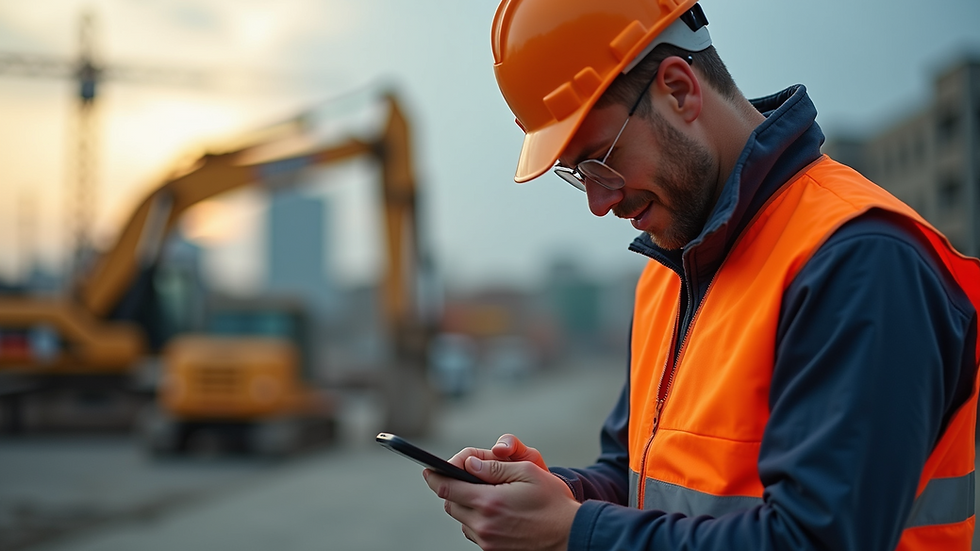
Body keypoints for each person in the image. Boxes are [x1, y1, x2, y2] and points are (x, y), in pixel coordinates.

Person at [423, 1, 980, 550]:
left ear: (679, 89)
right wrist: (557, 495)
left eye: (600, 159)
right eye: (578, 175)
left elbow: (814, 538)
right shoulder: (667, 274)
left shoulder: (861, 262)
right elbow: (637, 475)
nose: (599, 201)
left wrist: (573, 531)